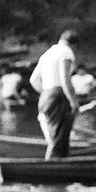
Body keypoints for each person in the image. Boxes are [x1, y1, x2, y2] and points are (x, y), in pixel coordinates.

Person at [29, 30, 81, 159]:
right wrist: (73, 101)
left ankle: (63, 169)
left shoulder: (47, 54)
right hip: (58, 97)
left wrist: (46, 93)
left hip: (45, 97)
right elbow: (65, 78)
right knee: (59, 140)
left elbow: (33, 80)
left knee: (58, 138)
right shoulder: (66, 51)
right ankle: (50, 170)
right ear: (74, 44)